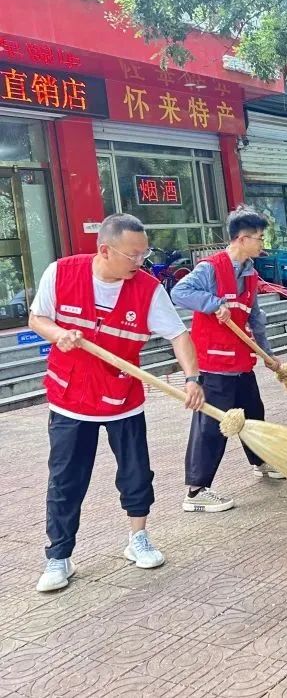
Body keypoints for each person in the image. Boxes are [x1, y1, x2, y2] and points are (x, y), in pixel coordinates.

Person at [29, 214, 205, 592]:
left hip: (122, 398)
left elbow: (179, 335)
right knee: (65, 480)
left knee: (136, 474)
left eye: (144, 254)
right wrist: (58, 333)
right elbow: (37, 318)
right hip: (70, 399)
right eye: (133, 255)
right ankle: (59, 556)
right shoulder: (60, 274)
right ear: (105, 250)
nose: (140, 262)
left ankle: (137, 539)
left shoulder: (147, 289)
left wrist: (192, 378)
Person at [171, 205, 286, 514]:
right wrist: (212, 304)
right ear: (242, 238)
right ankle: (196, 491)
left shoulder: (250, 275)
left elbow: (256, 318)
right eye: (260, 238)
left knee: (253, 414)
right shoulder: (211, 268)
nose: (262, 244)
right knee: (211, 425)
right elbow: (179, 292)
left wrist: (268, 355)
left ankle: (260, 461)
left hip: (241, 362)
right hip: (212, 364)